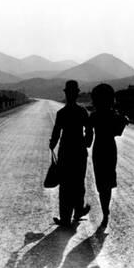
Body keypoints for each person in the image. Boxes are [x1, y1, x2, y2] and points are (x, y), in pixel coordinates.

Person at [49, 80, 93, 228]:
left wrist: (52, 144)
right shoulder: (82, 112)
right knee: (78, 182)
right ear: (77, 94)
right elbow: (89, 130)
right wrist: (87, 142)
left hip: (65, 152)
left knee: (65, 184)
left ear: (67, 94)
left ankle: (65, 218)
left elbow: (56, 133)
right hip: (79, 151)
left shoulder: (61, 113)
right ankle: (78, 210)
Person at [89, 83, 129, 228]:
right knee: (108, 180)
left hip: (98, 149)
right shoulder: (114, 115)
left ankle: (105, 211)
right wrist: (123, 121)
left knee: (101, 183)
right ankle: (106, 212)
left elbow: (88, 141)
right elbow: (118, 132)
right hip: (110, 149)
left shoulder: (93, 116)